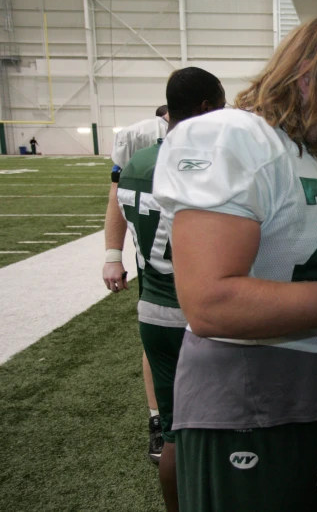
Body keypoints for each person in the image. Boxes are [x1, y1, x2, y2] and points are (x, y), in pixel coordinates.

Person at [152, 17, 317, 512]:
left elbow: (300, 273)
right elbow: (210, 303)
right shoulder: (232, 137)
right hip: (247, 403)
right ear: (308, 76)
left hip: (308, 399)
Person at [117, 67, 225, 512]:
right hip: (197, 313)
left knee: (175, 434)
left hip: (152, 310)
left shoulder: (139, 162)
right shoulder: (204, 165)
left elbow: (117, 206)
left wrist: (111, 255)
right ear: (204, 108)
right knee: (219, 430)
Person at [101, 104, 169, 464]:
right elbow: (117, 193)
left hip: (207, 263)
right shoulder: (139, 137)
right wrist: (114, 254)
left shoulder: (222, 135)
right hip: (158, 266)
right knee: (156, 340)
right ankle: (158, 419)